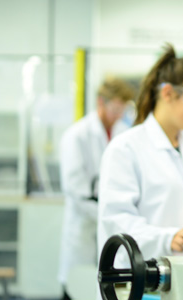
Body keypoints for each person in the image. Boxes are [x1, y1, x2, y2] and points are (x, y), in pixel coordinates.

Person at [97, 44, 183, 263]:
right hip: (137, 279)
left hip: (182, 276)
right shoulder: (126, 148)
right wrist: (167, 238)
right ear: (168, 93)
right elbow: (116, 221)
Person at [58, 77, 134, 299]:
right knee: (76, 286)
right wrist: (105, 213)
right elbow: (75, 188)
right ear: (101, 102)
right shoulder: (77, 135)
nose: (119, 114)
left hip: (109, 222)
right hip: (83, 226)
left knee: (106, 288)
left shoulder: (124, 134)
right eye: (115, 108)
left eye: (123, 109)